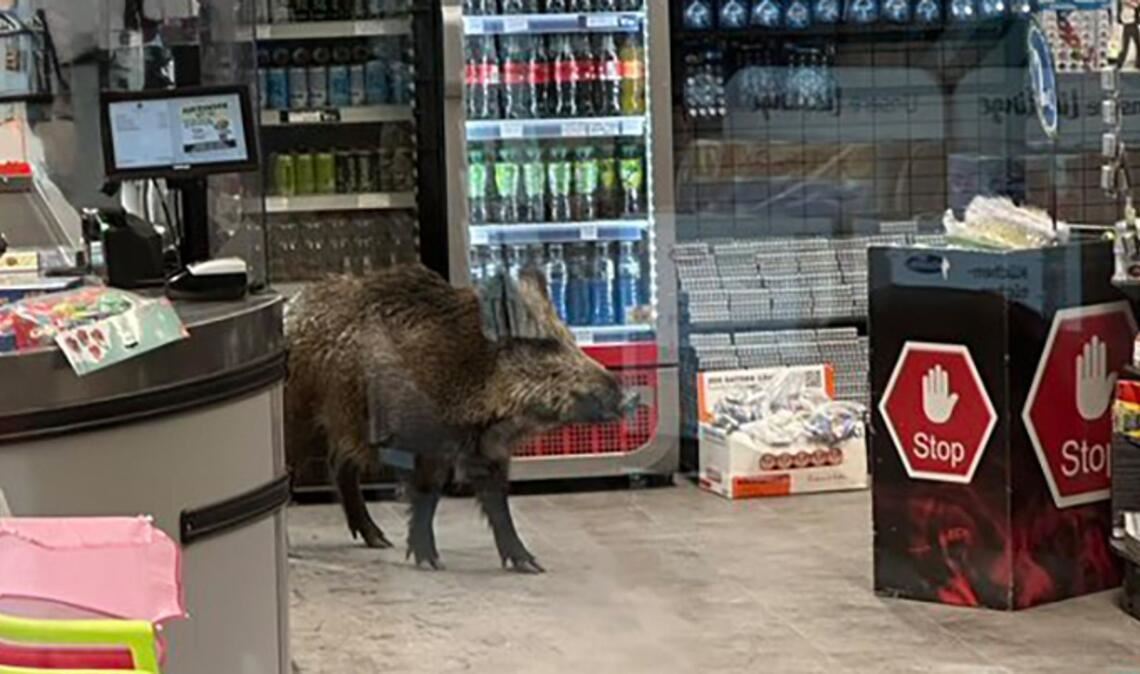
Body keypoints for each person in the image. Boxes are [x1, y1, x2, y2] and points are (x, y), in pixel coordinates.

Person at [1118, 0, 1140, 70]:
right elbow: (1135, 5)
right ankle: (1119, 63)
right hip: (1128, 22)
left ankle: (1137, 63)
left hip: (1132, 21)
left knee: (1135, 43)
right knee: (1127, 44)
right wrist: (1135, 2)